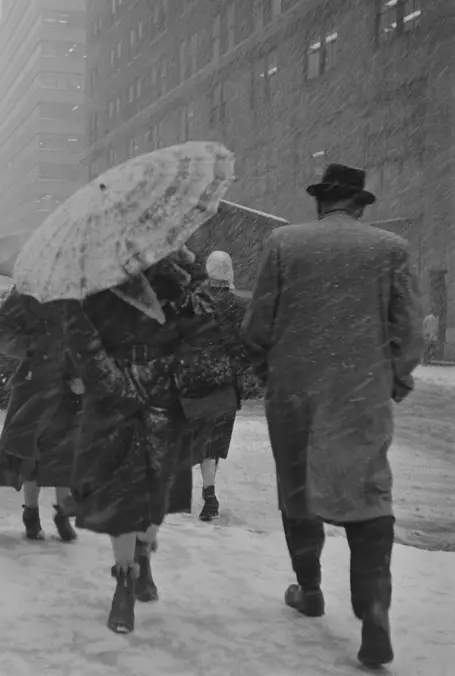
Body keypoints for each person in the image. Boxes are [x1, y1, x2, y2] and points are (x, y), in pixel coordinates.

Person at [241, 163, 423, 668]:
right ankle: (374, 613)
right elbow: (409, 333)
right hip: (361, 395)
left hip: (294, 393)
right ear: (361, 205)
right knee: (368, 495)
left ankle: (310, 588)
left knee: (297, 488)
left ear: (320, 203)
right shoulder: (390, 249)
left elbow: (256, 325)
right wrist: (395, 379)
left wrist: (271, 371)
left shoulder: (284, 243)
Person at [59, 248, 208, 634]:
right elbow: (81, 338)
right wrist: (110, 380)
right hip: (115, 401)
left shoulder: (178, 282)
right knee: (120, 493)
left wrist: (187, 295)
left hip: (164, 398)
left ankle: (143, 552)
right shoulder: (98, 282)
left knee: (161, 486)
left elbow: (201, 337)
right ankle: (125, 580)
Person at [0, 288, 81, 542]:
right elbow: (2, 335)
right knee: (30, 452)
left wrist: (80, 374)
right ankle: (31, 514)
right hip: (33, 386)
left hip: (68, 388)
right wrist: (36, 347)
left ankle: (63, 512)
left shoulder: (77, 291)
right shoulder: (24, 293)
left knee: (65, 452)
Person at [183, 250, 250, 521]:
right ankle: (209, 493)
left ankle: (206, 492)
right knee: (215, 440)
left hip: (200, 382)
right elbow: (247, 345)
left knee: (202, 439)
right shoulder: (240, 306)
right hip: (227, 383)